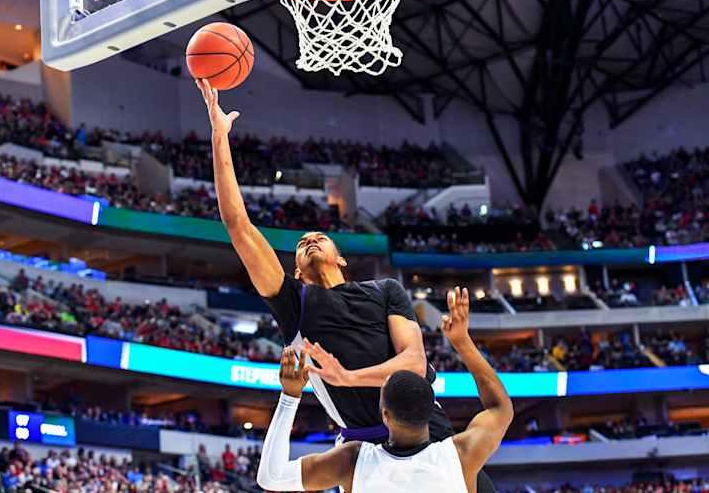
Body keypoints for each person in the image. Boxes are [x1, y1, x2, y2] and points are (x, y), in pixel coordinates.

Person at [196, 79, 496, 491]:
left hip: (434, 437)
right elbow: (238, 226)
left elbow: (413, 363)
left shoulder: (385, 289)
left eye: (318, 237)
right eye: (301, 244)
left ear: (342, 258)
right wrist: (219, 138)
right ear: (298, 273)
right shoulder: (295, 303)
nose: (309, 239)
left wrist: (348, 377)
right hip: (364, 451)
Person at [257, 287, 513, 492]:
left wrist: (289, 396)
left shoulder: (354, 461)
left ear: (384, 415)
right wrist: (462, 342)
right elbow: (500, 408)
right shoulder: (461, 456)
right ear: (431, 410)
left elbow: (271, 477)